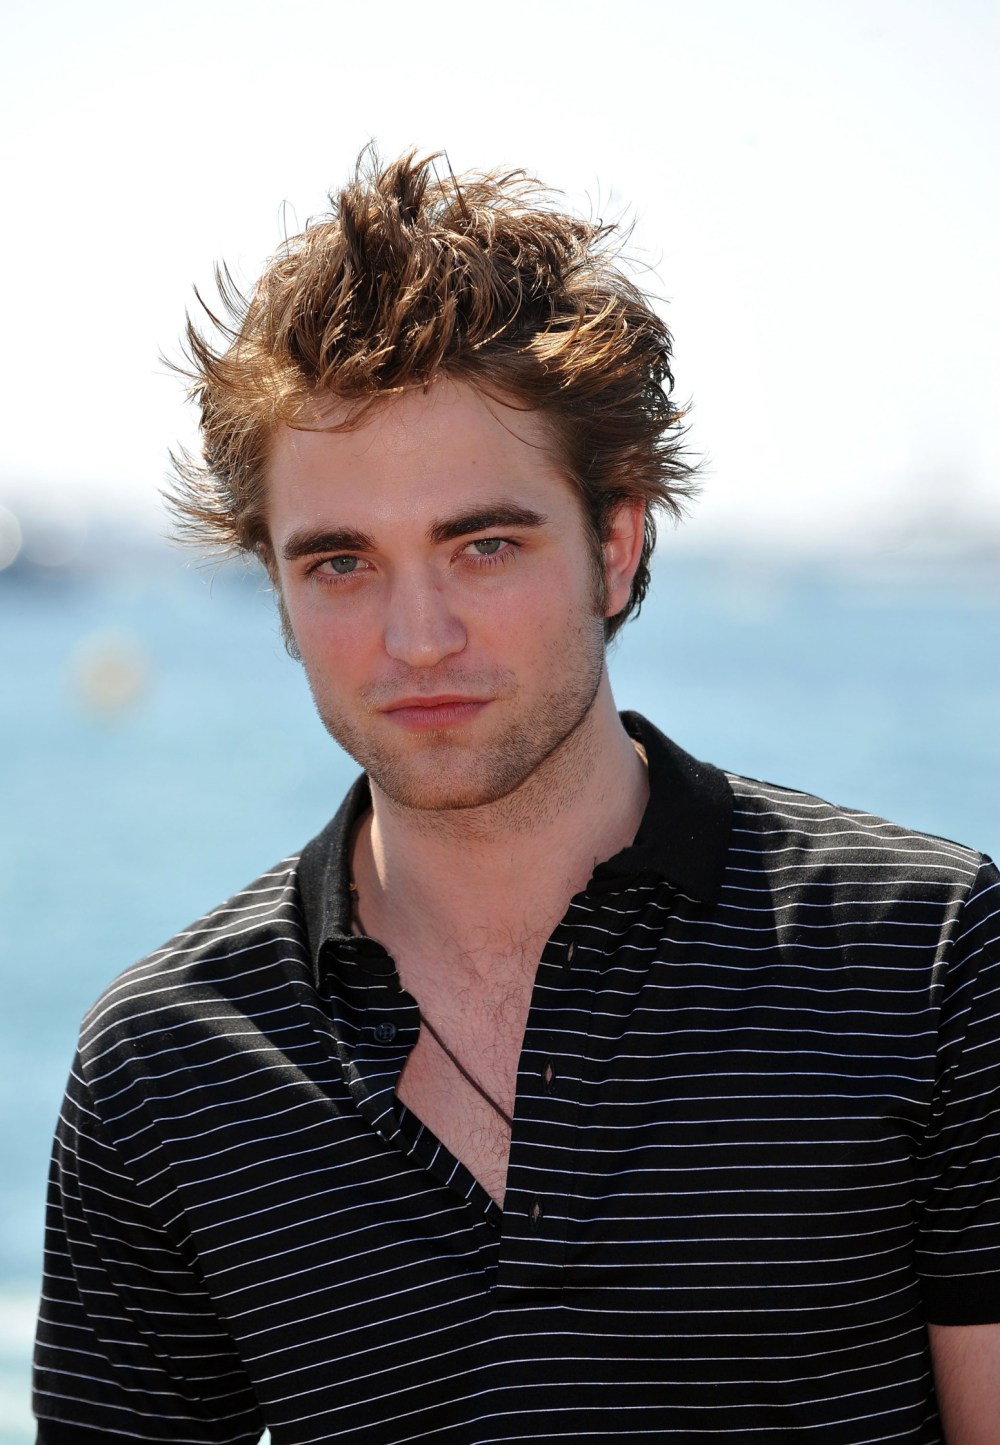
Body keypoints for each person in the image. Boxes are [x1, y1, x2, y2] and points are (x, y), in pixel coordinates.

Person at [33, 151, 1000, 1445]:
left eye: (483, 545)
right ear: (277, 590)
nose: (416, 637)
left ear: (617, 542)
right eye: (341, 564)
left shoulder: (926, 957)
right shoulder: (165, 1068)